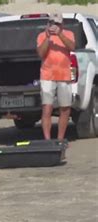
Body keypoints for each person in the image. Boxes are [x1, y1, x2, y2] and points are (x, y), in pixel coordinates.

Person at [37, 13, 75, 141]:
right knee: (47, 107)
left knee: (65, 107)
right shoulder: (42, 35)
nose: (55, 26)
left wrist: (60, 34)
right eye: (52, 23)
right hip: (47, 75)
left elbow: (72, 47)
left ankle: (60, 138)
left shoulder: (68, 34)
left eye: (57, 23)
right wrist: (47, 38)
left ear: (62, 24)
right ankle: (47, 139)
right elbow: (41, 54)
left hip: (64, 75)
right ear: (48, 24)